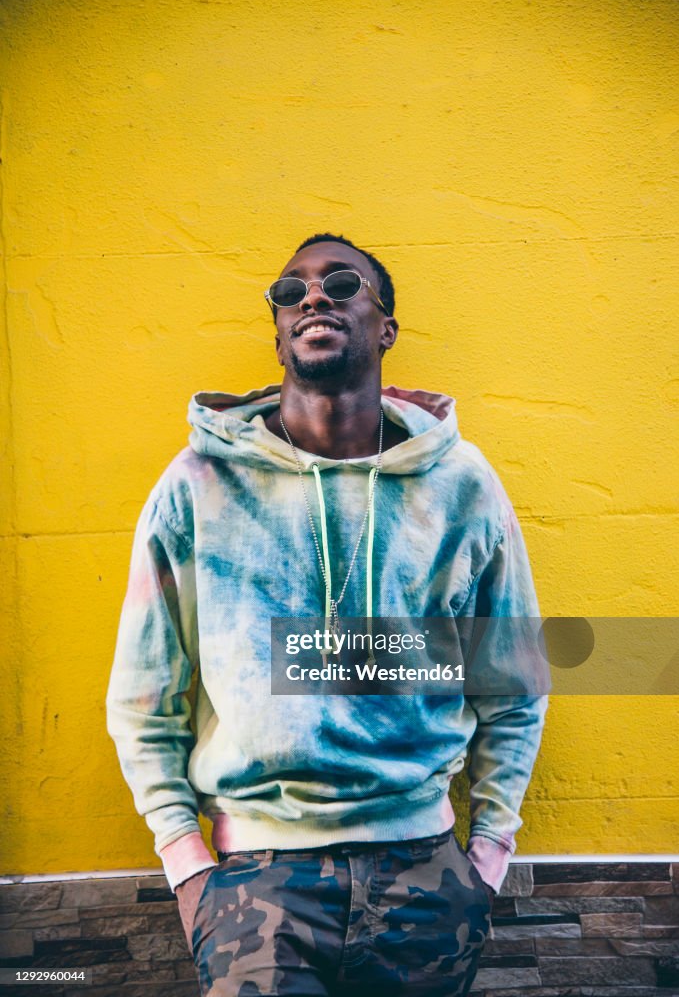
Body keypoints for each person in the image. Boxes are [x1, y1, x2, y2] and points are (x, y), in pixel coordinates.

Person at [107, 232, 548, 996]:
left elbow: (511, 680)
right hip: (254, 887)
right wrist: (187, 868)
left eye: (341, 284)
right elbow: (144, 697)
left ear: (384, 328)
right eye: (290, 291)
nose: (312, 296)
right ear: (279, 338)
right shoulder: (197, 485)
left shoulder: (461, 486)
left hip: (426, 874)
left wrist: (485, 858)